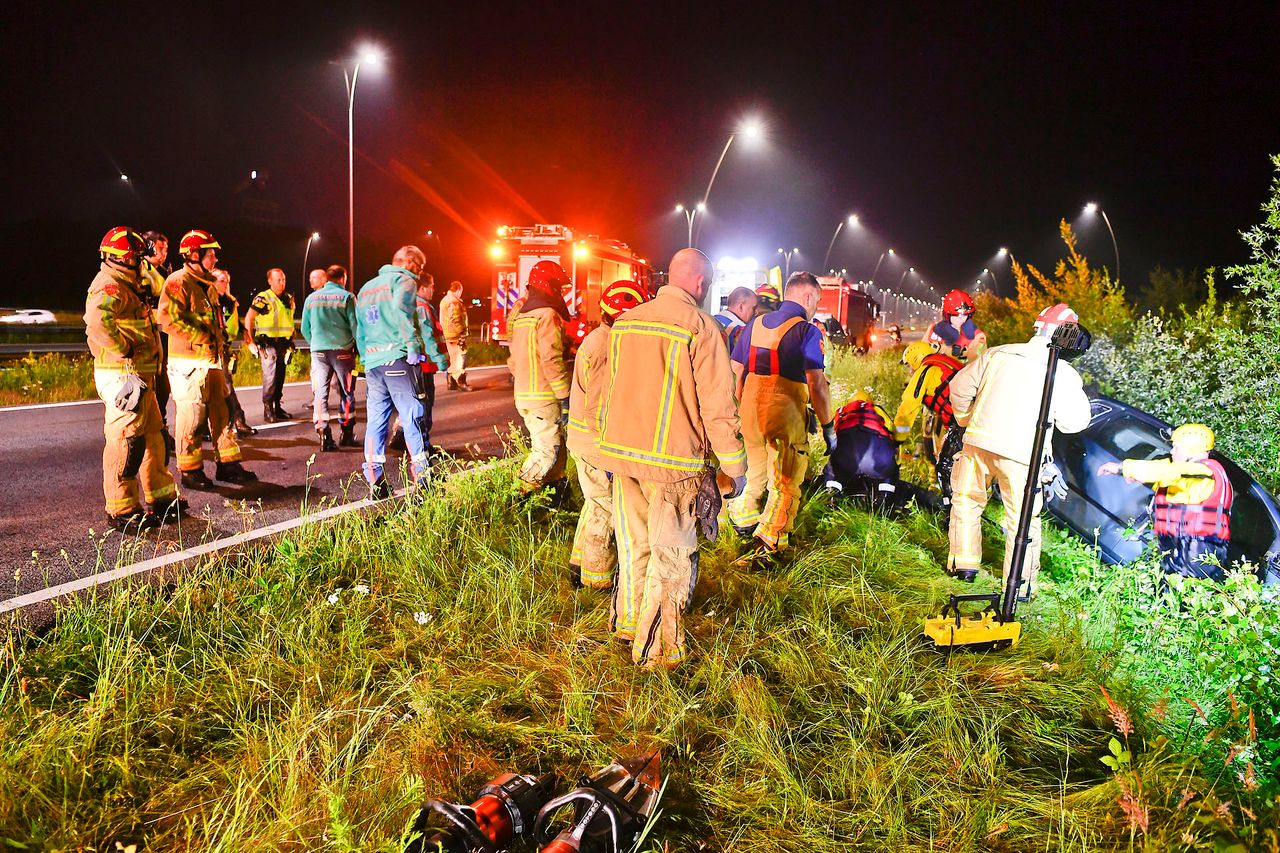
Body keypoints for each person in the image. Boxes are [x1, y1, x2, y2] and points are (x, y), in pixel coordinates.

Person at [597, 248, 746, 668]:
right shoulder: (701, 327)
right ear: (700, 284)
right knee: (672, 558)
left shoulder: (625, 323)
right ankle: (657, 653)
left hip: (623, 458)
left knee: (633, 547)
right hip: (674, 465)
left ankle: (627, 624)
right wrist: (735, 470)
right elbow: (719, 409)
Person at [946, 303, 1091, 593]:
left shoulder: (997, 354)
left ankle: (964, 567)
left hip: (977, 444)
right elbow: (1075, 423)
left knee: (966, 502)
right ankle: (1020, 585)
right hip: (1024, 454)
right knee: (1022, 518)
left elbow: (959, 389)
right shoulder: (1061, 372)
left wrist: (966, 420)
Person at [85, 227, 184, 530]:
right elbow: (97, 325)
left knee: (153, 435)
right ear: (125, 258)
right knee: (127, 439)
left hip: (140, 374)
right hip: (121, 374)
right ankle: (122, 507)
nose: (143, 262)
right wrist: (125, 348)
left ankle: (161, 496)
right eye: (138, 257)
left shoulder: (130, 283)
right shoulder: (109, 286)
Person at [727, 271, 834, 554]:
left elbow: (735, 371)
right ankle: (770, 543)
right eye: (817, 301)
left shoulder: (754, 324)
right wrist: (829, 426)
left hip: (749, 411)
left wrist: (738, 408)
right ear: (808, 296)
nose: (815, 308)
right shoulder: (808, 331)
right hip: (783, 413)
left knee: (754, 472)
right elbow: (817, 384)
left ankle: (742, 521)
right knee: (786, 479)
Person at [158, 229, 256, 488]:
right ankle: (190, 470)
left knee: (222, 413)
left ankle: (228, 464)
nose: (214, 259)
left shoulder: (208, 284)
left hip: (211, 361)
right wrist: (202, 336)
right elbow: (168, 320)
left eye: (213, 254)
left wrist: (220, 339)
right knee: (192, 416)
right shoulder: (178, 282)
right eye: (209, 254)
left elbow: (216, 322)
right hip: (187, 364)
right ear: (193, 255)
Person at [567, 279, 649, 589]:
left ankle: (580, 562)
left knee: (594, 503)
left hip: (585, 441)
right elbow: (598, 409)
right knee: (605, 507)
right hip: (594, 445)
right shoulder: (606, 346)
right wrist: (609, 455)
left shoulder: (602, 338)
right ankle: (597, 579)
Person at [1097, 423, 1234, 581]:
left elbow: (1168, 471)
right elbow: (1163, 473)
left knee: (1180, 597)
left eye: (1176, 447)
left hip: (1197, 551)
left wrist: (1122, 468)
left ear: (1191, 449)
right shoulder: (1190, 477)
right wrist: (1137, 476)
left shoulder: (1205, 471)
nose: (1172, 452)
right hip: (1182, 548)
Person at [355, 245, 431, 497]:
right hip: (398, 358)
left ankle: (374, 478)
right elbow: (401, 311)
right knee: (412, 416)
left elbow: (360, 328)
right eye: (419, 267)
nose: (420, 274)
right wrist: (412, 346)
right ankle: (422, 477)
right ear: (409, 262)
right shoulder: (404, 281)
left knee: (376, 420)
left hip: (374, 363)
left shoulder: (367, 287)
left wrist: (366, 357)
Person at [508, 260, 572, 493]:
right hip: (543, 398)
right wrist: (565, 395)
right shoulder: (547, 315)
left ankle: (559, 496)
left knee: (557, 448)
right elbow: (551, 358)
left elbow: (514, 360)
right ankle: (519, 495)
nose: (562, 292)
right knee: (546, 451)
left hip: (524, 396)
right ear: (550, 285)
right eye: (560, 287)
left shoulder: (523, 317)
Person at [894, 340, 965, 513]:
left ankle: (952, 514)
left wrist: (896, 439)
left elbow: (908, 407)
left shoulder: (925, 370)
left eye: (910, 365)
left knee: (945, 466)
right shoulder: (946, 363)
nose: (910, 370)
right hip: (974, 417)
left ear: (916, 360)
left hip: (963, 423)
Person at [300, 262, 359, 451]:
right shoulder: (348, 297)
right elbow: (355, 326)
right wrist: (356, 347)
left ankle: (324, 435)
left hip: (318, 352)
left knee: (320, 393)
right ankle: (347, 433)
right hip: (342, 352)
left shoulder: (311, 299)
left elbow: (304, 328)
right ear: (343, 279)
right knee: (347, 392)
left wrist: (316, 342)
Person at [824, 389, 899, 510]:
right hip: (877, 458)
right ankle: (882, 502)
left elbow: (834, 435)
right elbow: (891, 429)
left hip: (847, 457)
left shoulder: (842, 412)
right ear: (869, 401)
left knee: (832, 471)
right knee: (890, 471)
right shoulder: (876, 410)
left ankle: (832, 498)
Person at [244, 268, 296, 423]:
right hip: (268, 343)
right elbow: (249, 317)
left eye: (284, 279)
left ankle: (278, 407)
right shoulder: (263, 297)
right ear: (270, 281)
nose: (282, 282)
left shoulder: (287, 298)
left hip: (283, 343)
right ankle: (268, 409)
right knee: (270, 377)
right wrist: (250, 340)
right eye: (278, 279)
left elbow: (288, 319)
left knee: (280, 376)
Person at [211, 268, 255, 438]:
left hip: (224, 347)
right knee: (222, 388)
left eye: (227, 280)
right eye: (222, 280)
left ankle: (234, 422)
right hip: (210, 349)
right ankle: (236, 421)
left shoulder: (229, 302)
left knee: (224, 386)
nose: (226, 284)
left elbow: (232, 326)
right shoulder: (209, 300)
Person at [139, 231, 173, 442]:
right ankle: (154, 432)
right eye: (161, 248)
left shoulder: (161, 271)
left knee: (163, 387)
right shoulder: (142, 269)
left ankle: (160, 427)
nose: (164, 253)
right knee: (156, 386)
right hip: (150, 334)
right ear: (149, 246)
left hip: (163, 333)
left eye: (166, 249)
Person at [412, 272, 450, 450]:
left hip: (422, 365)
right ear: (422, 288)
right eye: (432, 286)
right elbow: (428, 337)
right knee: (424, 405)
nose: (434, 290)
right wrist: (440, 361)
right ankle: (424, 447)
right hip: (424, 365)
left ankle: (417, 441)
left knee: (420, 403)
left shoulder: (420, 306)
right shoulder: (422, 308)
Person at [926, 289, 987, 361]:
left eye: (966, 315)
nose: (963, 319)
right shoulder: (933, 331)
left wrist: (942, 349)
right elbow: (919, 355)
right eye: (958, 316)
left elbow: (978, 364)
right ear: (947, 315)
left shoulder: (977, 337)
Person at [439, 280, 473, 391]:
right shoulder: (454, 302)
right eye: (461, 291)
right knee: (461, 358)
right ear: (458, 289)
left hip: (448, 335)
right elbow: (455, 319)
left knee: (452, 359)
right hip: (455, 336)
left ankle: (451, 382)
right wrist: (462, 331)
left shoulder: (445, 300)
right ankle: (461, 382)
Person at [713, 286, 758, 352]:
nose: (756, 312)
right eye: (753, 308)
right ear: (741, 307)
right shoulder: (741, 331)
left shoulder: (712, 319)